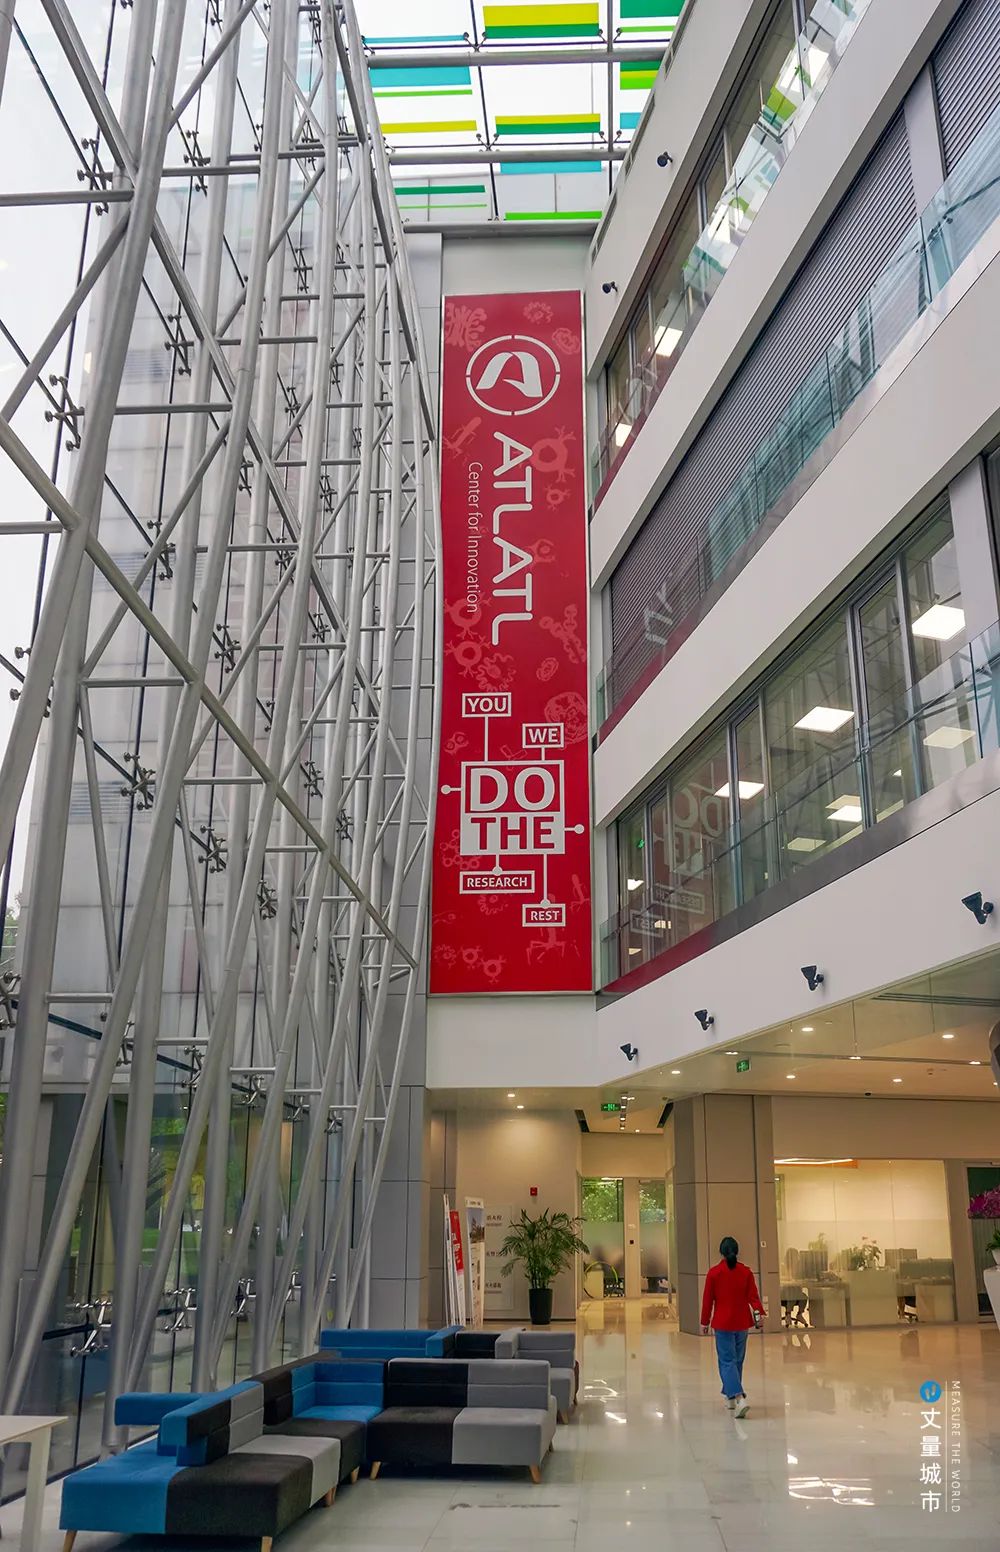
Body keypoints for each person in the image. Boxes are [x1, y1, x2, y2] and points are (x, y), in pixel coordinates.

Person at [700, 1235, 765, 1418]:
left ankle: (738, 1397)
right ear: (737, 1252)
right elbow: (754, 1298)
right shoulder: (746, 1272)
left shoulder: (714, 1273)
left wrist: (705, 1321)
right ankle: (729, 1397)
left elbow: (708, 1300)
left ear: (721, 1252)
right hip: (742, 1322)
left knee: (727, 1361)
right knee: (737, 1361)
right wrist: (759, 1316)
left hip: (722, 1323)